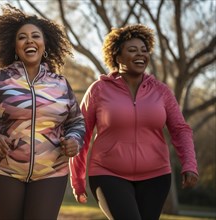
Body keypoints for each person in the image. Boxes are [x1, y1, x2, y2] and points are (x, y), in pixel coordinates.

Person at [0, 4, 85, 220]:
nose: (29, 41)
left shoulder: (60, 84)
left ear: (44, 43)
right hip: (3, 171)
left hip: (51, 171)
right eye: (22, 37)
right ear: (14, 45)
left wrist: (74, 140)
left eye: (35, 36)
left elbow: (76, 122)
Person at [69, 24, 199, 220]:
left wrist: (189, 164)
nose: (140, 54)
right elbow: (81, 133)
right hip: (108, 173)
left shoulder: (161, 91)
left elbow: (180, 130)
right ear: (117, 57)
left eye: (144, 50)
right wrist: (77, 179)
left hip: (156, 176)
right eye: (132, 50)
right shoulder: (99, 90)